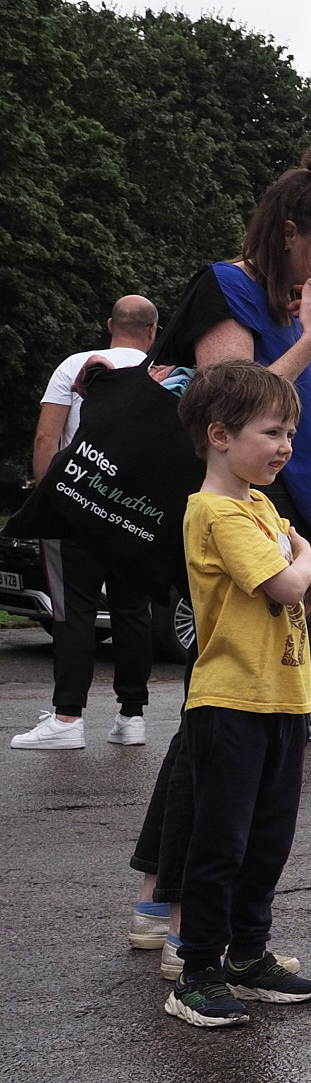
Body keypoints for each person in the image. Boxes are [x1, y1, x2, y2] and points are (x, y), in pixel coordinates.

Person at [129, 141, 311, 969]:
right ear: (290, 235)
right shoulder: (228, 289)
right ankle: (177, 921)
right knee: (219, 733)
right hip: (240, 535)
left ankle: (175, 912)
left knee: (241, 740)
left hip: (287, 527)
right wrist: (307, 344)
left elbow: (289, 430)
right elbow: (226, 407)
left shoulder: (283, 297)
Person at [163, 360, 311, 1027]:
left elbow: (307, 561)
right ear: (220, 435)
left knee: (267, 842)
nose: (287, 445)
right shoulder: (217, 511)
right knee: (219, 843)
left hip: (285, 699)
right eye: (272, 432)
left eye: (290, 431)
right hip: (229, 702)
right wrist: (305, 563)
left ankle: (247, 956)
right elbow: (290, 581)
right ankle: (196, 970)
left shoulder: (260, 506)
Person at [12, 296, 161, 753]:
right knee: (133, 611)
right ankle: (131, 716)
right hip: (137, 509)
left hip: (79, 501)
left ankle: (67, 717)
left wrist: (46, 497)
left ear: (110, 324)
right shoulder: (166, 372)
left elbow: (47, 436)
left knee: (73, 611)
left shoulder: (77, 365)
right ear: (154, 331)